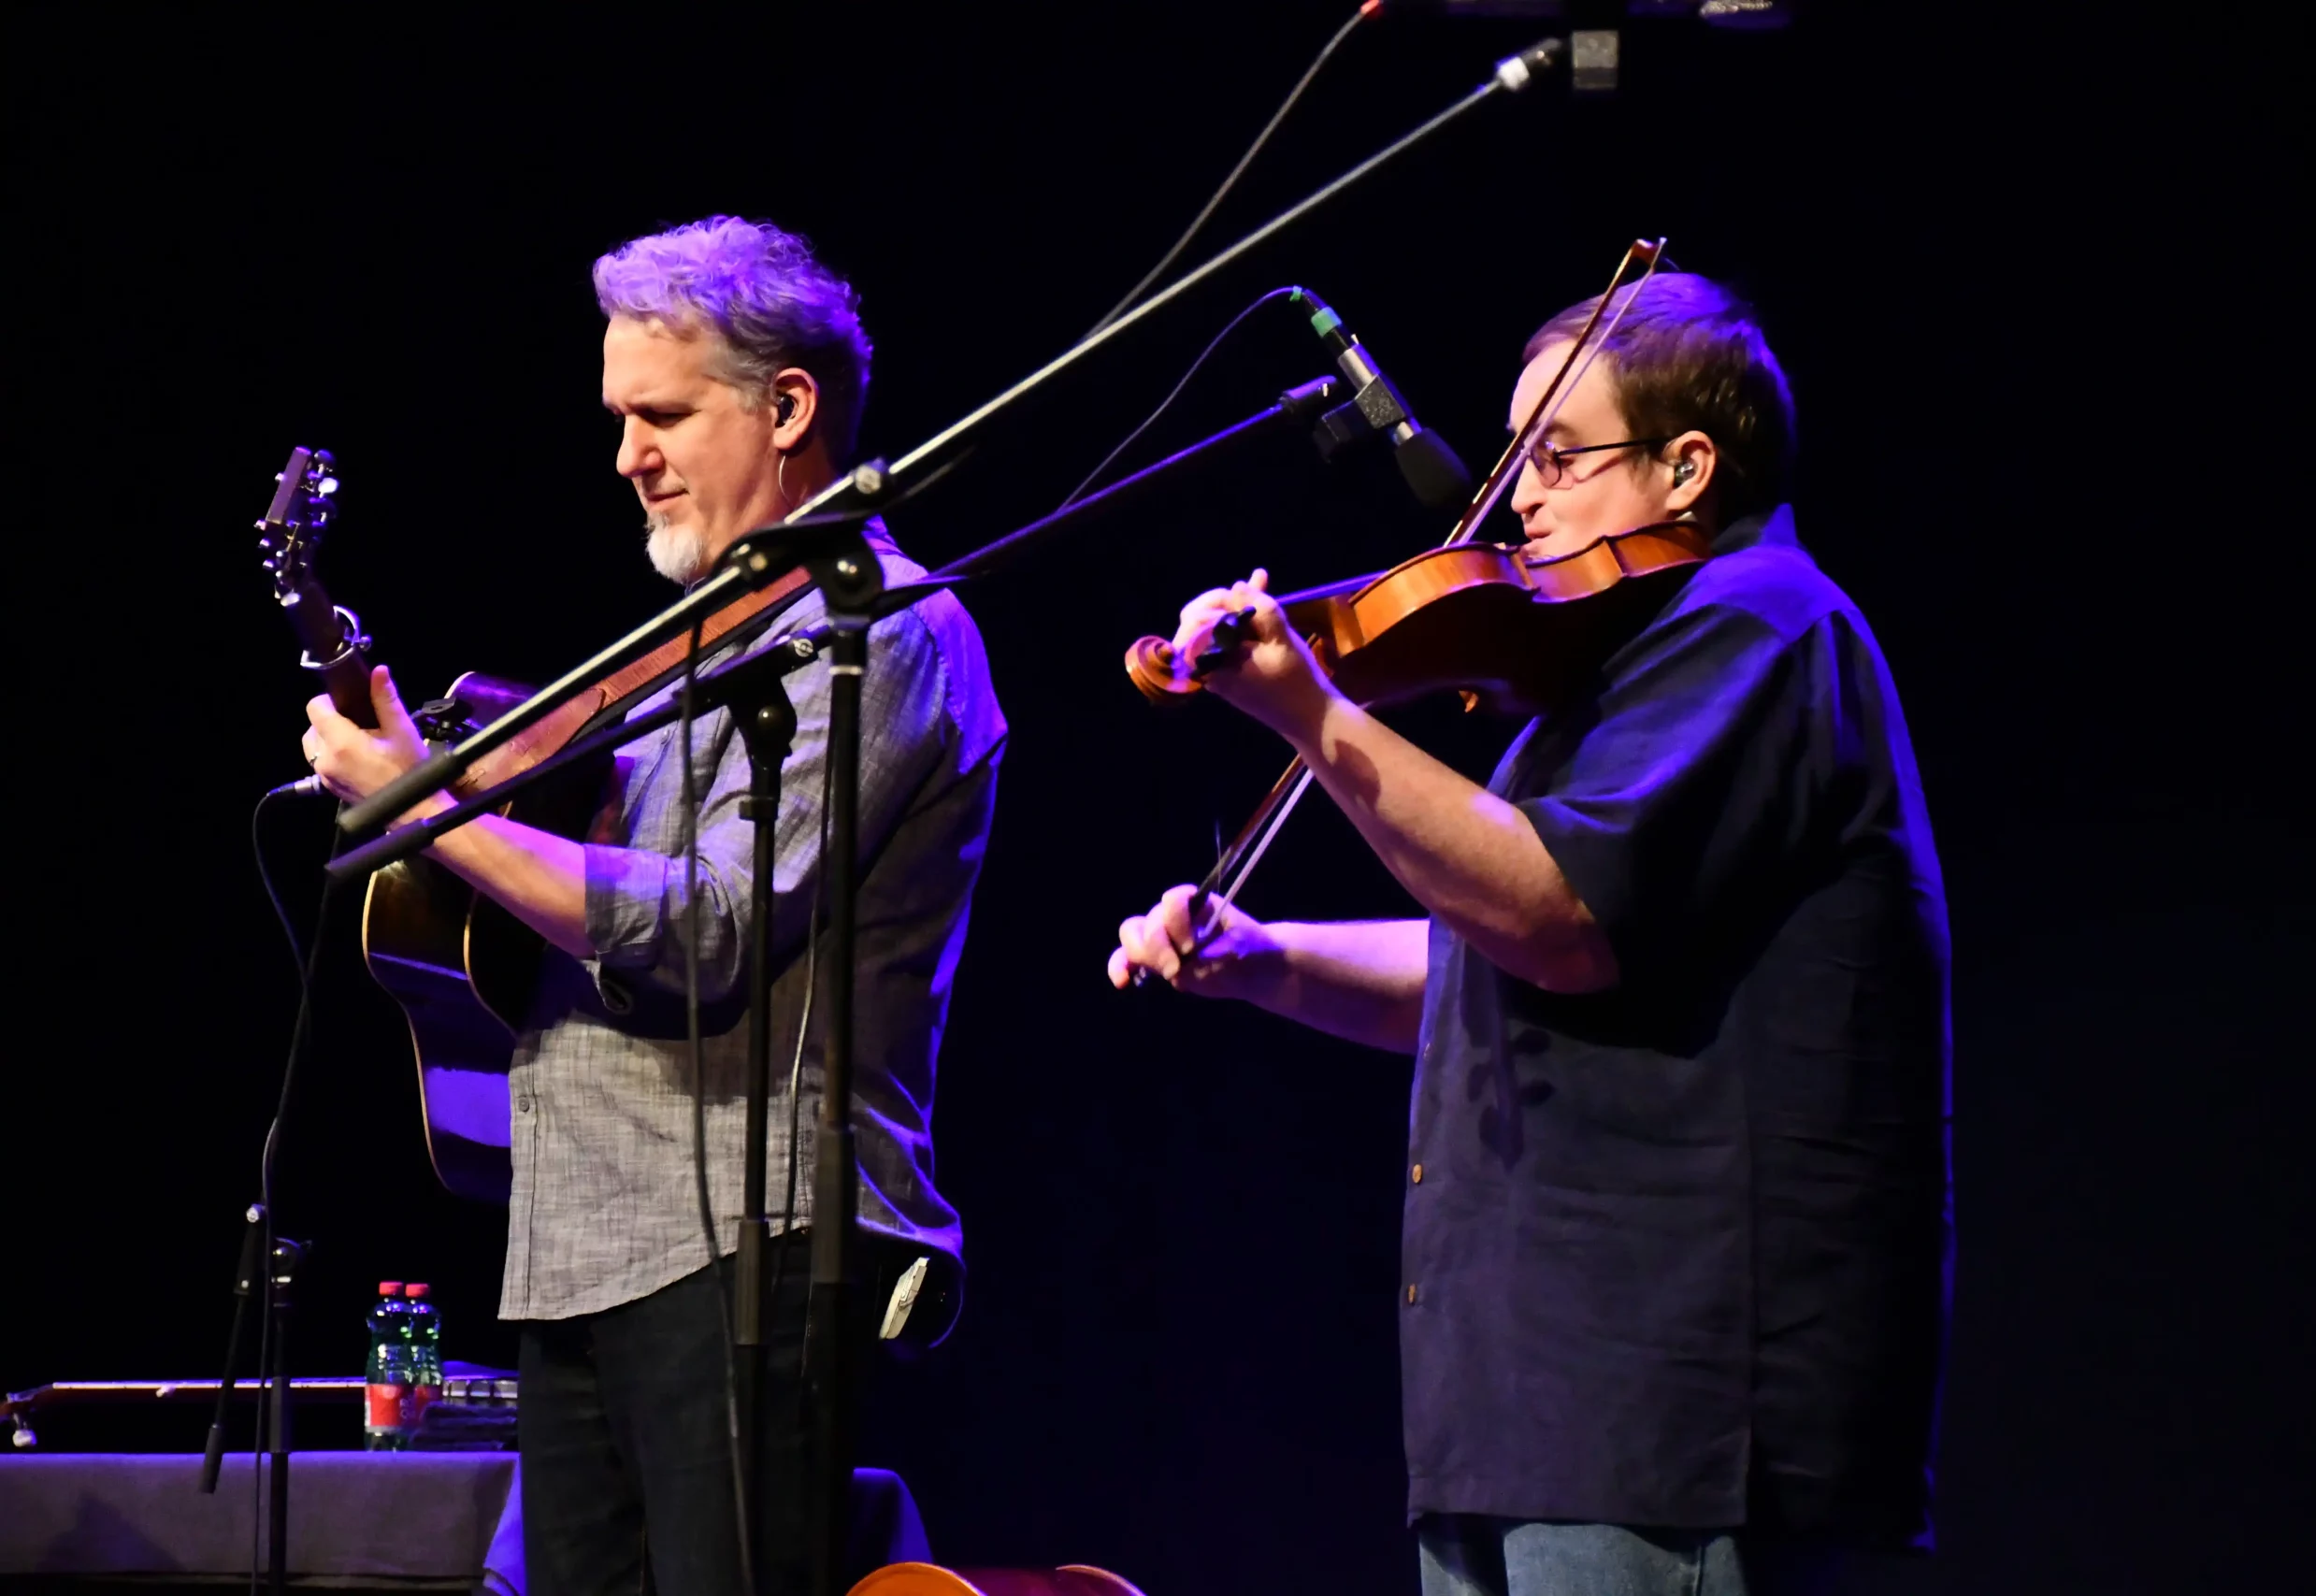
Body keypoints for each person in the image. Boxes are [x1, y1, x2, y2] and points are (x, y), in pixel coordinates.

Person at [1109, 274, 1950, 1596]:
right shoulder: (1600, 680)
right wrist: (1267, 959)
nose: (1520, 501)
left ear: (1686, 467)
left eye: (1559, 456)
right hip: (1540, 1401)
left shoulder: (1758, 622)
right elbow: (1479, 961)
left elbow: (1554, 916)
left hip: (1673, 1407)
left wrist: (1316, 717)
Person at [302, 215, 1006, 1596]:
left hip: (755, 1249)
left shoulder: (888, 635)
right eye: (621, 416)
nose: (628, 454)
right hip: (579, 1242)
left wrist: (428, 812)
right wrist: (457, 785)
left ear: (789, 407)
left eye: (664, 413)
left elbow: (711, 928)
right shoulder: (680, 653)